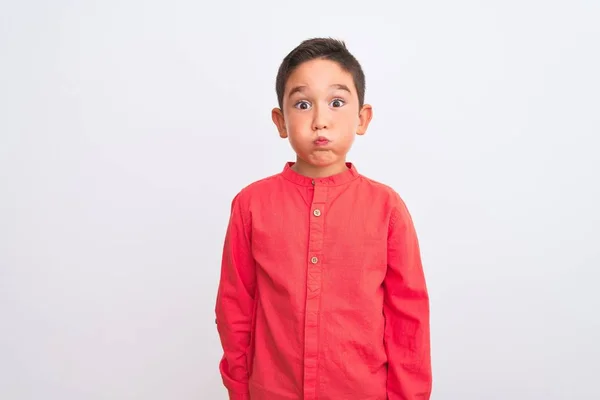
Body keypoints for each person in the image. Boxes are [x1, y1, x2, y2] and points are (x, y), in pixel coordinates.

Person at [214, 37, 432, 400]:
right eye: (302, 104)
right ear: (281, 121)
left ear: (362, 118)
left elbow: (408, 317)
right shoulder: (250, 205)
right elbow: (235, 306)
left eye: (336, 102)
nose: (320, 121)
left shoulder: (387, 208)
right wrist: (239, 389)